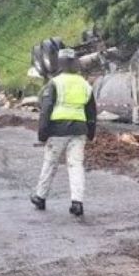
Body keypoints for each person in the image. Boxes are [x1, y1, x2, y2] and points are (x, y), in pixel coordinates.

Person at [31, 49, 97, 216]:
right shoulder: (85, 84)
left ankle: (40, 197)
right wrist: (91, 132)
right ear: (75, 63)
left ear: (59, 63)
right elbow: (91, 111)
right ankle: (77, 202)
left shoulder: (55, 83)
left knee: (50, 163)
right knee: (76, 165)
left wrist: (42, 133)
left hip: (58, 130)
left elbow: (46, 110)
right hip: (79, 130)